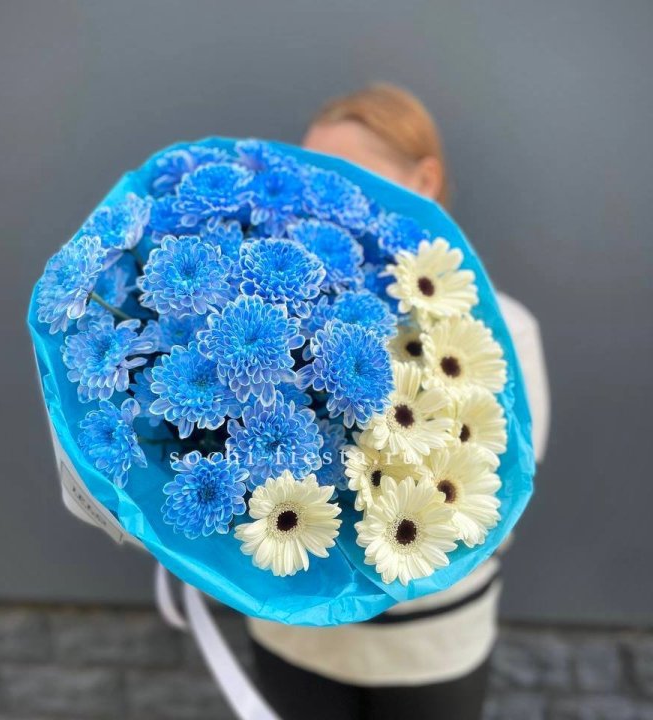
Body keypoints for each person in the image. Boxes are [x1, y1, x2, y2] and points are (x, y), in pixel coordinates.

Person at [247, 84, 550, 720]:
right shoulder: (281, 332)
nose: (324, 204)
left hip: (429, 649)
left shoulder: (501, 335)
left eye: (346, 178)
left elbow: (494, 502)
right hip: (292, 637)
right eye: (311, 182)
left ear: (425, 179)